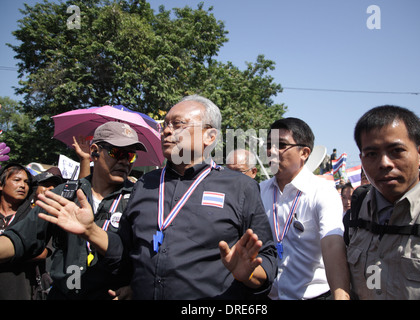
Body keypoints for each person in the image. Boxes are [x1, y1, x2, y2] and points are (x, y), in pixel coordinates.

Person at [34, 95, 278, 299]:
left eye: (179, 124)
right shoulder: (145, 184)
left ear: (209, 137)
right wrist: (91, 231)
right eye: (165, 125)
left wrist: (248, 275)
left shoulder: (241, 187)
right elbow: (125, 252)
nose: (167, 131)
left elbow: (267, 258)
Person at [0, 121, 146, 299]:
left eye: (130, 156)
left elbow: (150, 257)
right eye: (117, 152)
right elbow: (21, 239)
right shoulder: (64, 194)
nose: (124, 161)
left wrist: (136, 286)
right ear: (95, 151)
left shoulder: (140, 199)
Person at [347, 105, 420, 299]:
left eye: (396, 150)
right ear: (361, 159)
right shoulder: (358, 209)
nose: (384, 163)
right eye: (372, 154)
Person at [260, 117, 350, 300]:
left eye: (281, 145)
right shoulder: (259, 191)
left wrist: (340, 296)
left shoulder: (323, 193)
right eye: (269, 145)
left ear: (304, 152)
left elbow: (332, 244)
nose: (272, 151)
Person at [0, 163, 41, 299]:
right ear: (1, 185)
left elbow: (42, 252)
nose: (23, 185)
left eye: (26, 182)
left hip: (19, 291)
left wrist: (9, 251)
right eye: (16, 180)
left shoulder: (33, 216)